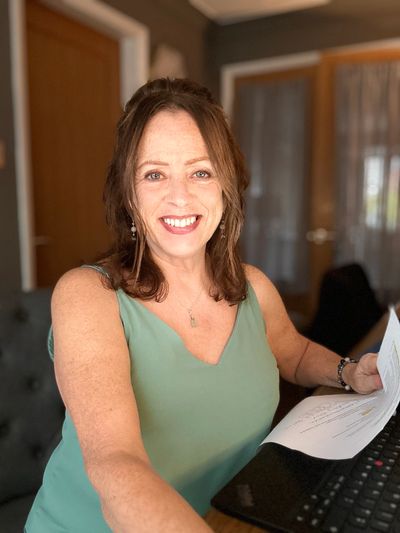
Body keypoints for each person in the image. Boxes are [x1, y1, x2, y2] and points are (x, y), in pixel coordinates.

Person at [25, 78, 382, 533]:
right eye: (154, 174)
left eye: (200, 172)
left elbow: (293, 353)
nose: (180, 196)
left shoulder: (253, 286)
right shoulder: (87, 295)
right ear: (128, 193)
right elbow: (115, 464)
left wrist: (348, 372)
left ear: (225, 186)